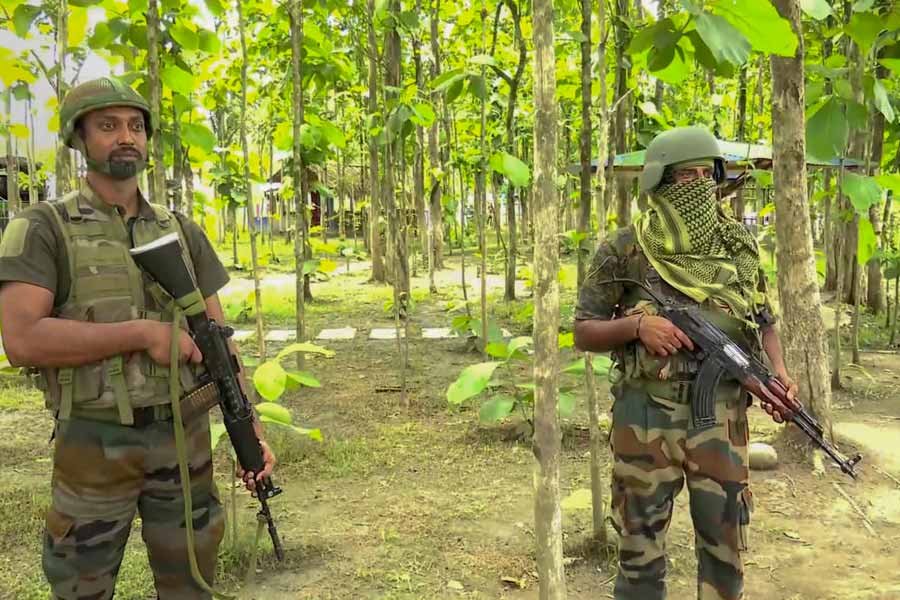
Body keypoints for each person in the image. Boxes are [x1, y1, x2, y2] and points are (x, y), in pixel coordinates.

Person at [0, 76, 275, 599]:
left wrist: (251, 431)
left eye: (135, 126)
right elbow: (22, 340)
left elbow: (219, 340)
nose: (126, 136)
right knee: (81, 587)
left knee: (191, 583)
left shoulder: (181, 229)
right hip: (94, 442)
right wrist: (142, 333)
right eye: (108, 126)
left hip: (183, 441)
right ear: (80, 138)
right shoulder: (43, 227)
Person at [574, 126, 798, 600]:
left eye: (706, 175)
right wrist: (637, 327)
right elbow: (583, 331)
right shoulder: (624, 249)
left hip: (721, 418)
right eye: (685, 176)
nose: (698, 185)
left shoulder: (737, 246)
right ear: (659, 181)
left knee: (724, 554)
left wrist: (777, 373)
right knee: (639, 556)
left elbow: (764, 322)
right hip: (645, 417)